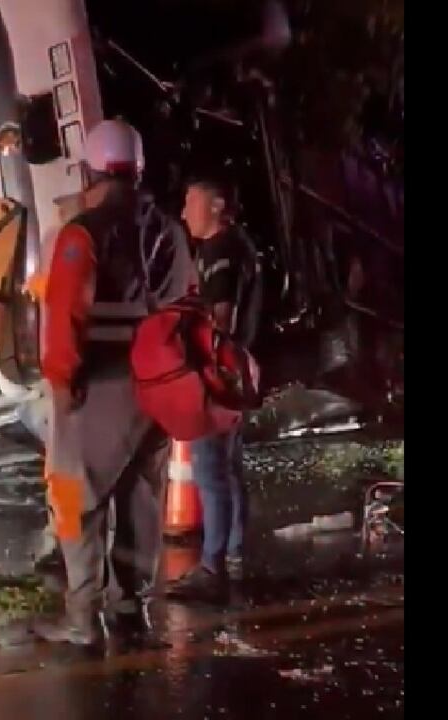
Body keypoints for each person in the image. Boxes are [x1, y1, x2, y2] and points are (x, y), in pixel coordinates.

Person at [31, 119, 193, 645]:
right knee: (141, 494)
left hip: (99, 382)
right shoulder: (169, 232)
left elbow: (65, 315)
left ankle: (81, 617)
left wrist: (60, 379)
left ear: (90, 171)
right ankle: (133, 608)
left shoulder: (83, 233)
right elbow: (189, 308)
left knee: (75, 491)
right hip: (159, 386)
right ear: (139, 170)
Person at [168, 179, 261, 602]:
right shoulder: (235, 245)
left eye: (192, 202)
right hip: (237, 371)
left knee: (210, 471)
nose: (185, 211)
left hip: (219, 373)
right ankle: (236, 553)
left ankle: (212, 565)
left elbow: (220, 317)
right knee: (229, 469)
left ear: (218, 205)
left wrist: (196, 363)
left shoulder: (222, 250)